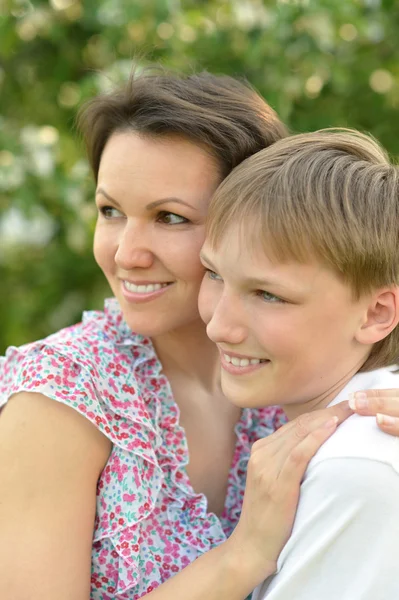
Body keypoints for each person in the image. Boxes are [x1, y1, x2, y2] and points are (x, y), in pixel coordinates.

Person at [0, 70, 397, 600]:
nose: (126, 254)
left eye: (169, 217)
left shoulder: (284, 369)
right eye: (110, 211)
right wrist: (239, 559)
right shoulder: (61, 397)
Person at [200, 128, 399, 599]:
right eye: (214, 274)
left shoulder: (355, 470)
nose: (218, 327)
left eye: (269, 294)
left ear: (376, 314)